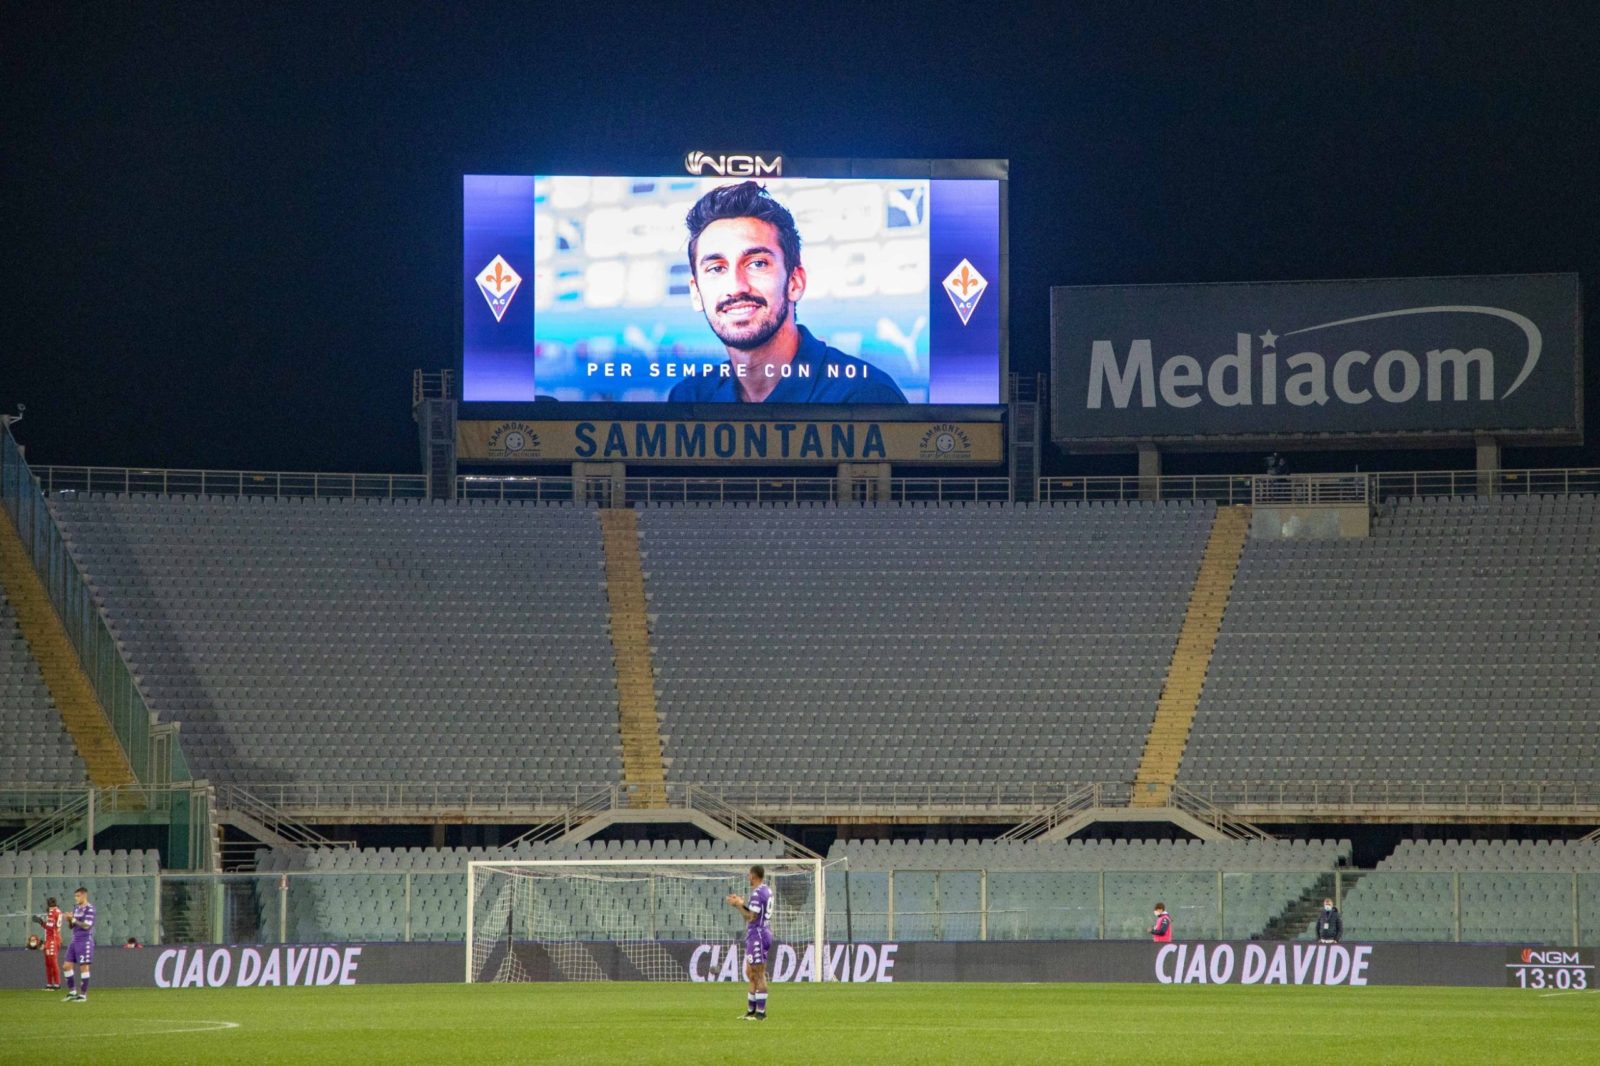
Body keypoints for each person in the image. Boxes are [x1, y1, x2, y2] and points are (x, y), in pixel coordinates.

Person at [668, 181, 908, 404]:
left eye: (757, 264)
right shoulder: (689, 397)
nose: (736, 286)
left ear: (795, 282)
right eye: (716, 268)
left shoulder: (865, 395)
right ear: (696, 293)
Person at [726, 865, 773, 1021]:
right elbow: (754, 914)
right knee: (751, 973)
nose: (748, 878)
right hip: (759, 933)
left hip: (758, 935)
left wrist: (738, 904)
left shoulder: (757, 893)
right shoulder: (766, 890)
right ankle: (751, 1011)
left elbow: (750, 917)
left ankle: (761, 1013)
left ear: (753, 876)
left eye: (749, 875)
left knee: (758, 974)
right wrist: (741, 903)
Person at [61, 886, 95, 1002]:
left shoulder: (90, 909)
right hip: (74, 940)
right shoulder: (76, 908)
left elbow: (87, 925)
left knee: (84, 967)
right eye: (75, 896)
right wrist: (69, 920)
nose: (76, 898)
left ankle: (83, 995)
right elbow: (72, 926)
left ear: (84, 896)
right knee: (66, 966)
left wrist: (74, 920)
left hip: (85, 940)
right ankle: (72, 992)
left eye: (78, 896)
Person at [32, 896, 62, 990]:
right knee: (49, 962)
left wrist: (41, 922)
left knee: (52, 962)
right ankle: (50, 984)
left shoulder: (52, 912)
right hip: (52, 939)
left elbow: (50, 927)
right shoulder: (58, 911)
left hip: (52, 939)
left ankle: (56, 984)